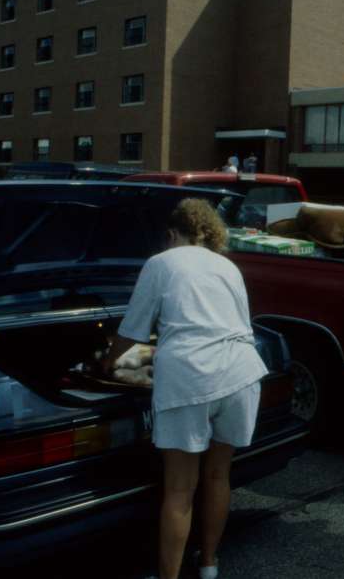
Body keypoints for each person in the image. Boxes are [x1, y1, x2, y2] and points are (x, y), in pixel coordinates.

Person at [103, 198, 268, 579]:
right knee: (218, 476)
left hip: (191, 374)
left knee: (180, 489)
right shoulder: (228, 265)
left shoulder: (161, 262)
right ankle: (209, 564)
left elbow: (132, 331)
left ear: (171, 234)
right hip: (241, 373)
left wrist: (107, 363)